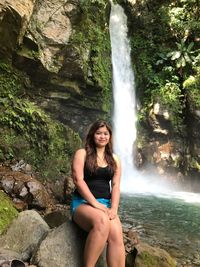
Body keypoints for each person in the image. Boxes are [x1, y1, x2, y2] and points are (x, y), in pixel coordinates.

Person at [71, 120, 125, 267]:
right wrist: (95, 203)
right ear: (92, 135)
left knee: (116, 234)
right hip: (83, 203)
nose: (102, 136)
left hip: (106, 204)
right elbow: (78, 180)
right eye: (99, 133)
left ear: (110, 137)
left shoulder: (114, 159)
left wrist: (113, 208)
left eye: (106, 134)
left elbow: (115, 185)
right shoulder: (82, 154)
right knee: (102, 222)